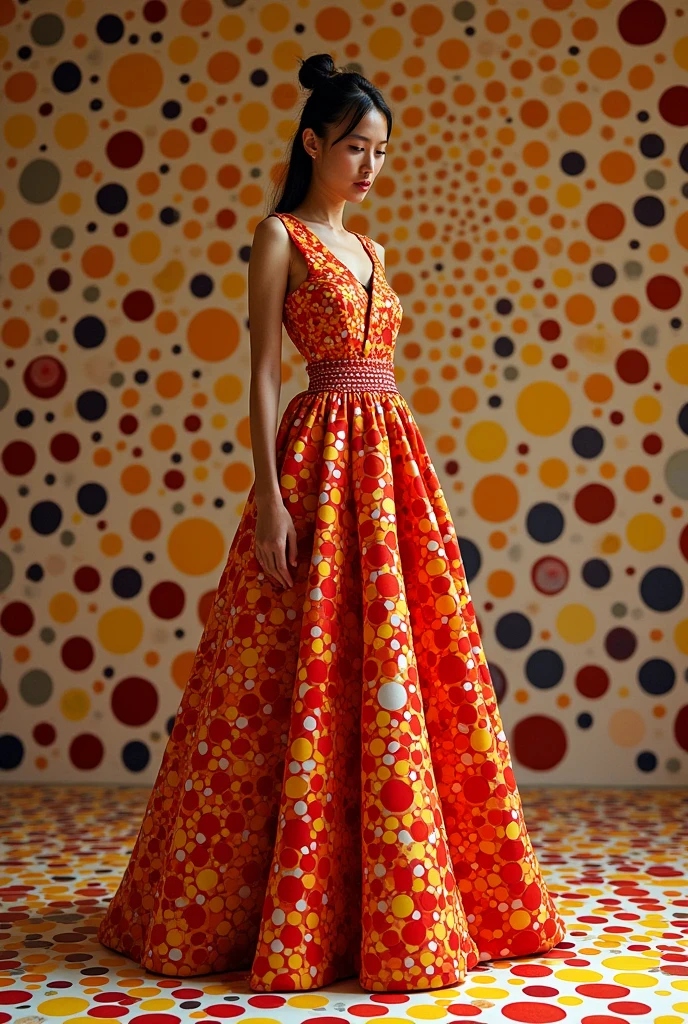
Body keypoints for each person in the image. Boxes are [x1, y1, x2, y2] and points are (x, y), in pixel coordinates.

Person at [97, 52, 566, 994]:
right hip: (315, 454)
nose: (370, 165)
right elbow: (265, 371)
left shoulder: (374, 253)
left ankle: (399, 898)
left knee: (401, 664)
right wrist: (268, 495)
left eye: (382, 150)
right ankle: (271, 902)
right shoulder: (280, 237)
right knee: (285, 667)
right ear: (313, 142)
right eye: (356, 146)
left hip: (390, 460)